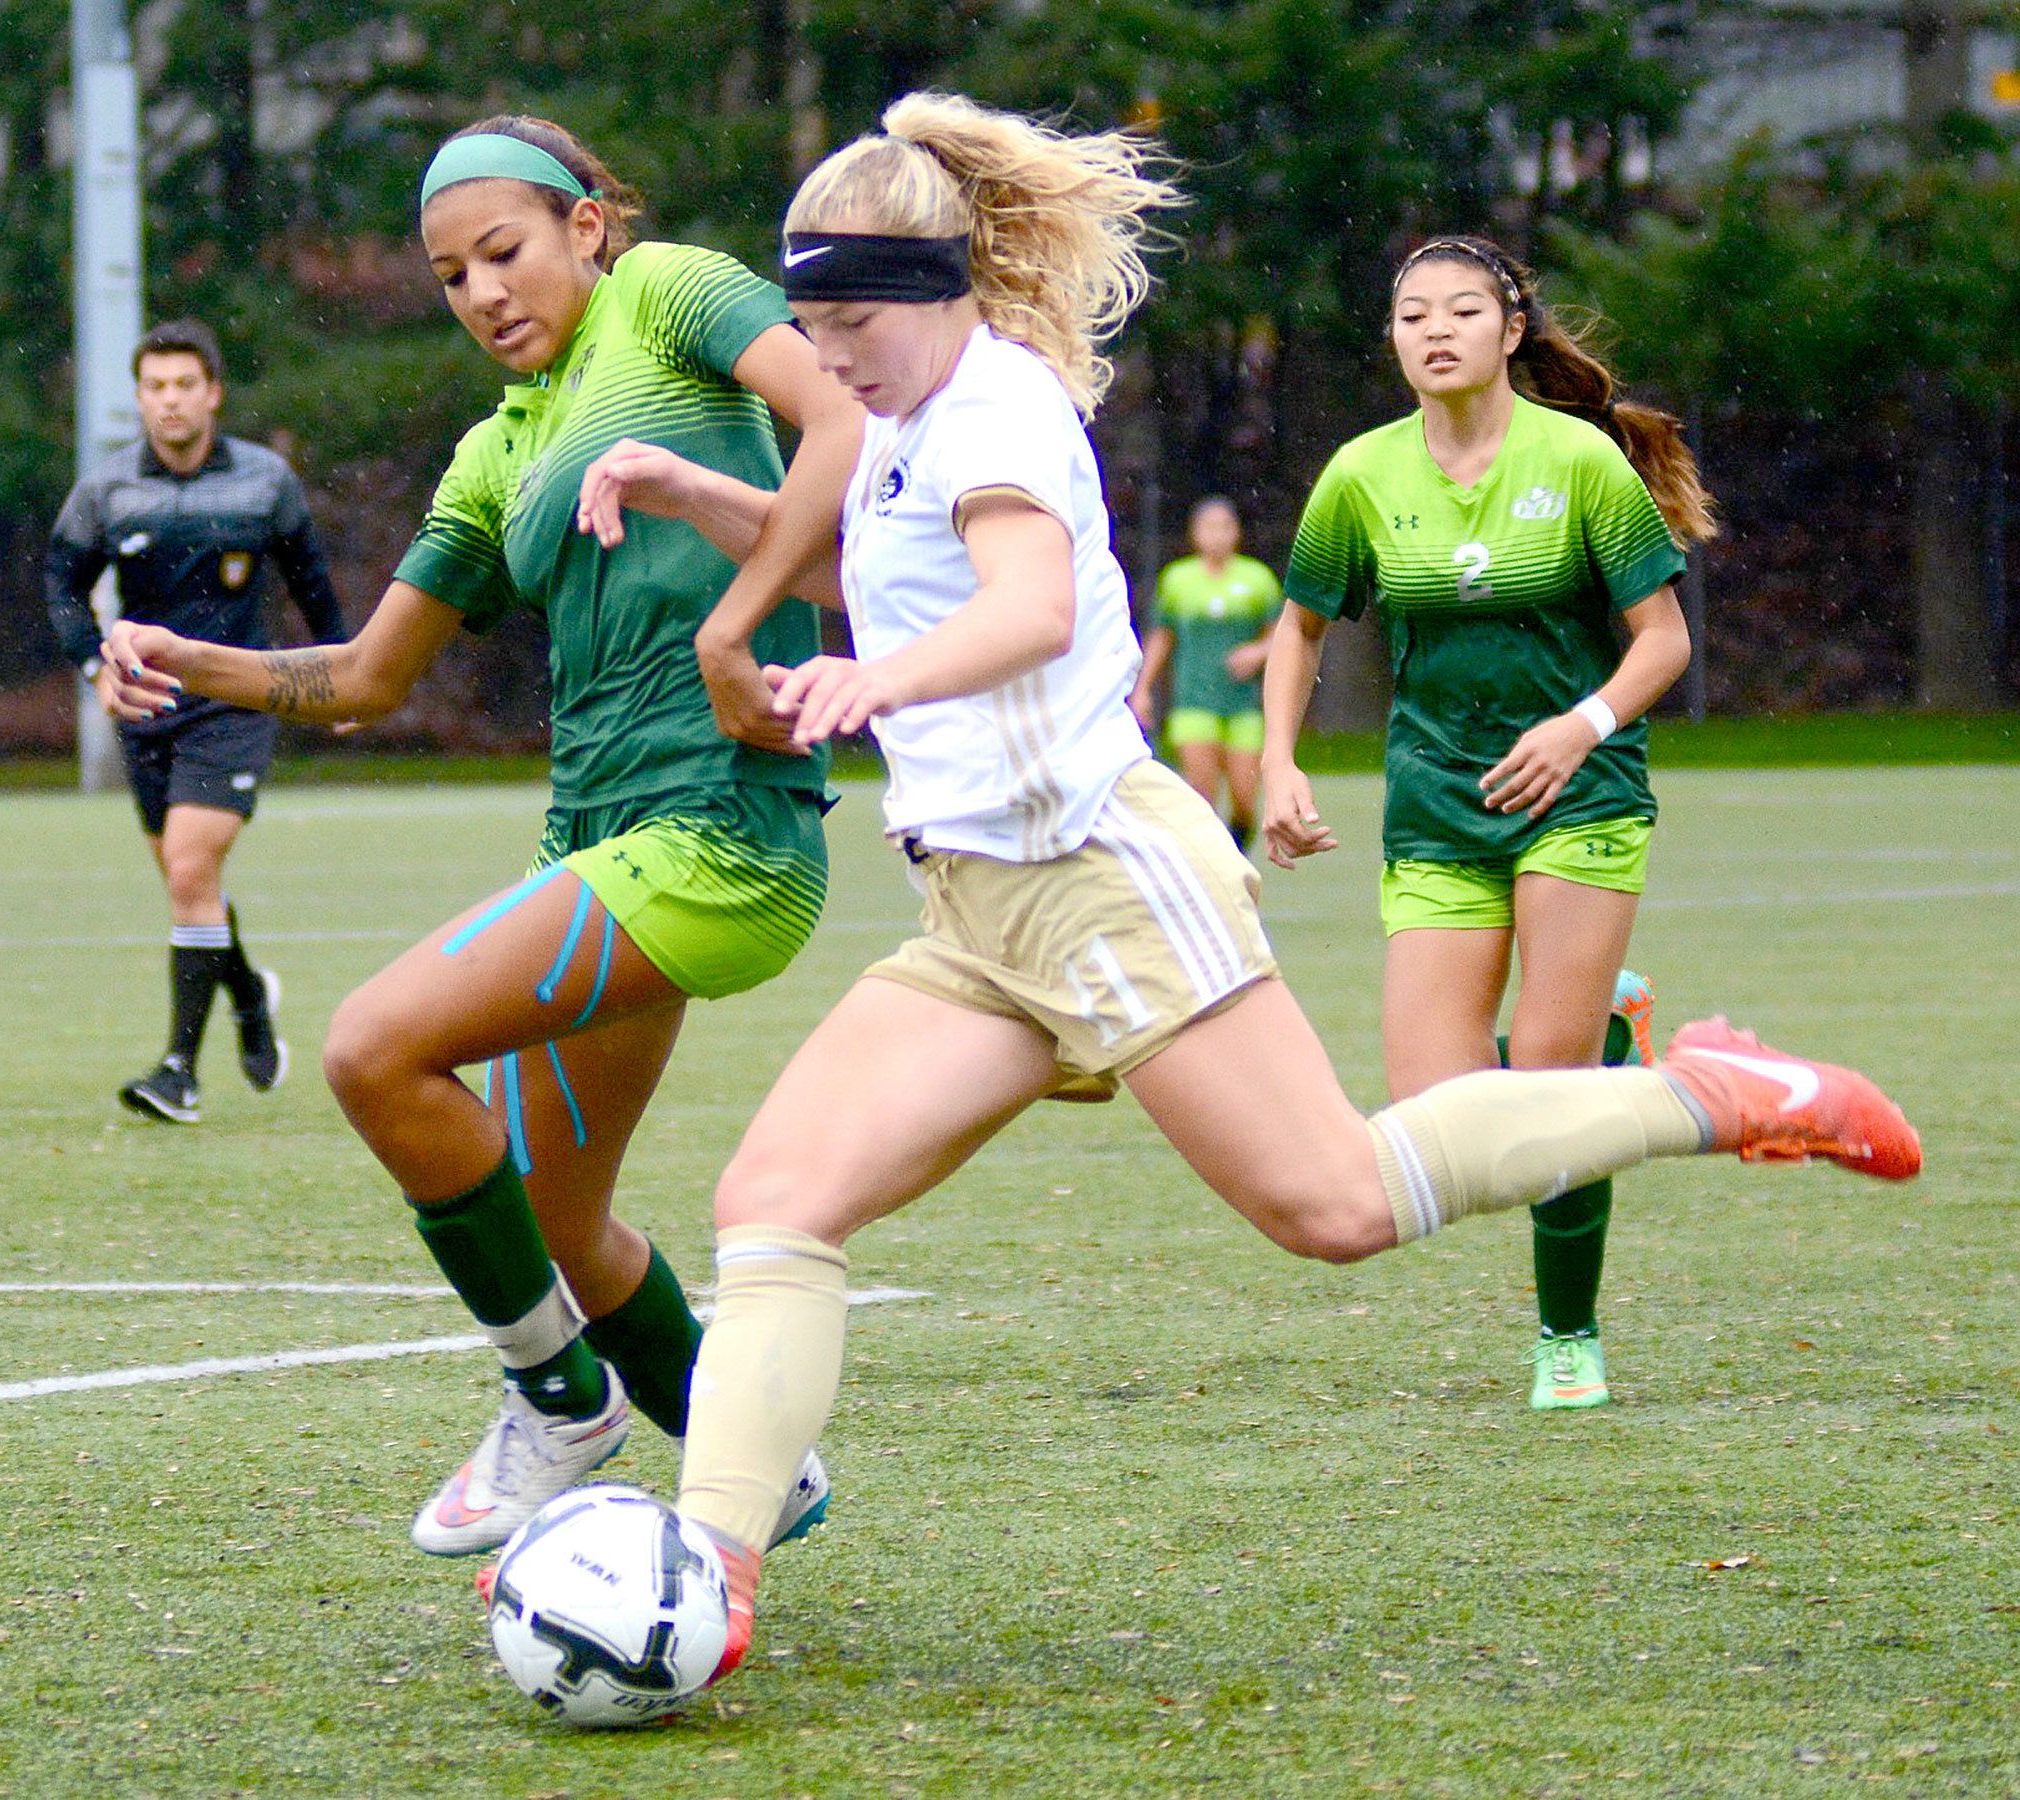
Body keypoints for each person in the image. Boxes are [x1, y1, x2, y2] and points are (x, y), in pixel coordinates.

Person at [566, 93, 1919, 1690]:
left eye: (850, 320)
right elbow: (880, 559)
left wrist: (876, 684)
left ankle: (1713, 1091)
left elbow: (1024, 605)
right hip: (979, 915)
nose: (828, 353)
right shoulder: (907, 417)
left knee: (1336, 1203)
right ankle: (706, 1582)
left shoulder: (994, 411)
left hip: (1099, 881)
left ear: (937, 291)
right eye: (807, 322)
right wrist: (701, 498)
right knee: (776, 1204)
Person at [103, 116, 865, 1558]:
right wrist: (182, 658)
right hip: (598, 844)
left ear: (589, 225)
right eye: (452, 276)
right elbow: (367, 676)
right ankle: (747, 1448)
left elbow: (845, 419)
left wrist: (730, 623)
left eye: (503, 251)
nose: (482, 293)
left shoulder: (676, 292)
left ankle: (559, 1401)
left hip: (722, 832)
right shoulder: (494, 451)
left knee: (372, 1046)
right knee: (560, 1224)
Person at [1262, 236, 1715, 1411]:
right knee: (1440, 1121)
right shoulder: (1359, 473)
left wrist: (1581, 723)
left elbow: (1661, 637)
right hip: (1434, 804)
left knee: (1549, 1112)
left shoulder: (1578, 463)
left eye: (1460, 310)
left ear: (1509, 331)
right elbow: (1301, 628)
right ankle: (1610, 1048)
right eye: (1410, 314)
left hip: (1579, 798)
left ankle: (1566, 1335)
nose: (1433, 331)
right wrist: (1274, 763)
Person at [46, 318, 347, 1124]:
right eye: (155, 387)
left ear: (212, 394)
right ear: (140, 398)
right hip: (148, 708)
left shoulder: (265, 482)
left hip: (242, 699)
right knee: (192, 885)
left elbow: (311, 584)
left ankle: (178, 1070)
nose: (170, 401)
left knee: (188, 871)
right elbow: (62, 585)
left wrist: (345, 674)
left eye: (185, 385)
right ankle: (249, 995)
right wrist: (94, 673)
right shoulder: (107, 490)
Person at [1131, 497, 1280, 848]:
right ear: (1195, 535)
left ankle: (1237, 849)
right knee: (1201, 797)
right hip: (1193, 702)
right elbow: (1163, 636)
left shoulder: (1257, 579)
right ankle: (1216, 865)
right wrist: (1142, 689)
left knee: (1245, 798)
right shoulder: (1178, 580)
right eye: (1209, 528)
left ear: (1237, 533)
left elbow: (1282, 634)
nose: (1217, 536)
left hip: (1242, 705)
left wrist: (1258, 652)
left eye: (1225, 527)